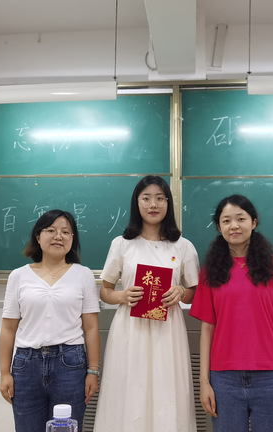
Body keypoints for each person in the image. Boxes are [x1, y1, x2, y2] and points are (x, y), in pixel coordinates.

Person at [93, 175, 200, 432]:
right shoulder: (121, 244)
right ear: (136, 202)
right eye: (146, 198)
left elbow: (195, 293)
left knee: (168, 390)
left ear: (168, 203)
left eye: (160, 198)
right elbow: (105, 291)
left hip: (168, 331)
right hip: (130, 329)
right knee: (128, 389)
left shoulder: (183, 246)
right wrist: (122, 296)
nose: (153, 204)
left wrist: (180, 292)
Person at [190, 195, 273, 432]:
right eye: (226, 221)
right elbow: (207, 329)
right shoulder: (210, 272)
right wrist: (204, 383)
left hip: (271, 377)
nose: (234, 226)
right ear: (219, 227)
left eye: (240, 219)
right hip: (224, 379)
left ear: (253, 222)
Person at [0, 209, 100, 432]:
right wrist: (5, 373)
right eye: (51, 230)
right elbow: (8, 328)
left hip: (70, 364)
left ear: (73, 239)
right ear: (38, 236)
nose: (58, 236)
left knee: (67, 428)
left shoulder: (83, 275)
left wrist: (93, 371)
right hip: (26, 365)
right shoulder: (18, 276)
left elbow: (91, 327)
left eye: (66, 232)